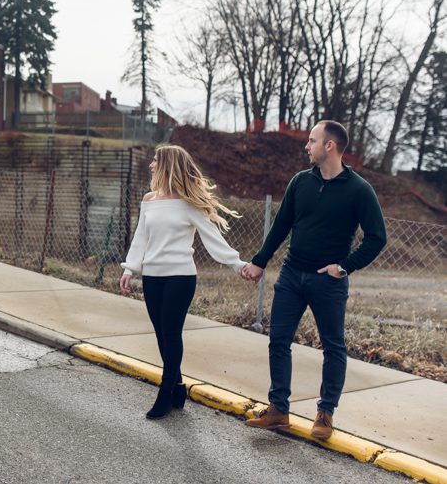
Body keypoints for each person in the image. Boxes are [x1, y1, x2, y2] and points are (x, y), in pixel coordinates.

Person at [241, 120, 386, 440]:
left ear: (329, 146)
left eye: (312, 141)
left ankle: (325, 414)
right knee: (278, 340)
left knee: (333, 346)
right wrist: (259, 262)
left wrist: (345, 267)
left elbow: (377, 237)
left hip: (328, 282)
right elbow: (281, 226)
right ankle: (278, 410)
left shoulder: (360, 190)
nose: (306, 146)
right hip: (292, 274)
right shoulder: (300, 182)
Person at [120, 144, 246, 420]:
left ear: (168, 165)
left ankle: (165, 394)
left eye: (156, 160)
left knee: (171, 332)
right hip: (152, 277)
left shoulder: (189, 204)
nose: (151, 164)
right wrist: (130, 269)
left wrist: (237, 264)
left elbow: (212, 236)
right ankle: (178, 387)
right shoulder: (149, 200)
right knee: (160, 335)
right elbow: (141, 237)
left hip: (180, 277)